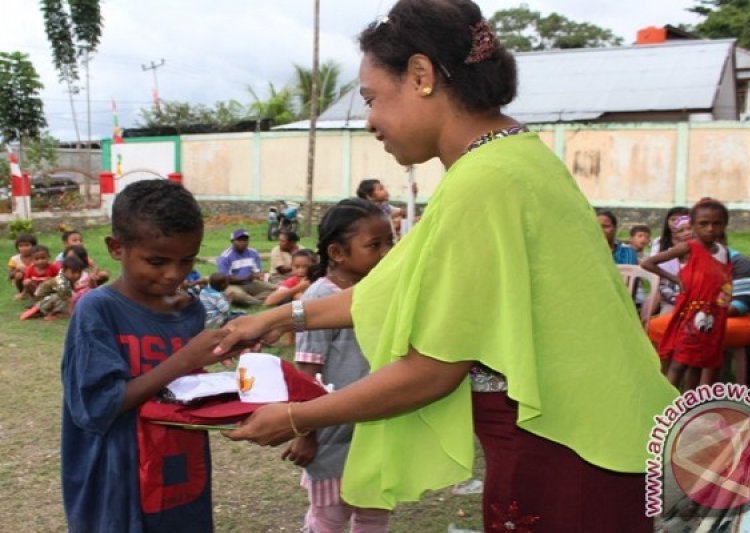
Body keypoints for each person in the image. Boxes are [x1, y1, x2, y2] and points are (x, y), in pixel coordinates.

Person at [216, 3, 676, 531]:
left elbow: (432, 371)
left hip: (561, 449)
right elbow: (394, 289)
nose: (370, 121)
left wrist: (297, 417)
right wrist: (275, 319)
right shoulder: (511, 158)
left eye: (372, 99)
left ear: (421, 75)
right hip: (585, 439)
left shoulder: (484, 182)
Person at [61, 179, 229, 533]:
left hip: (179, 463)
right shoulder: (98, 310)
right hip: (116, 476)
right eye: (157, 261)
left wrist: (227, 354)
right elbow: (96, 406)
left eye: (187, 260)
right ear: (116, 247)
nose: (174, 274)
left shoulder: (189, 310)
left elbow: (185, 393)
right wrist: (183, 359)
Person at [282, 198, 393, 533]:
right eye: (375, 245)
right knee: (330, 515)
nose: (387, 252)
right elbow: (307, 372)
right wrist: (306, 432)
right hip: (332, 432)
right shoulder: (320, 299)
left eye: (391, 242)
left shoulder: (381, 293)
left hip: (377, 425)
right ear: (338, 253)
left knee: (374, 513)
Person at [642, 198, 733, 391]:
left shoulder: (724, 252)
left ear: (724, 225)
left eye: (716, 224)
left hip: (714, 316)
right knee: (680, 362)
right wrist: (676, 280)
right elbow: (648, 263)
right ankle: (665, 403)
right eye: (703, 224)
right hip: (691, 316)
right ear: (692, 226)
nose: (710, 229)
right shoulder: (689, 248)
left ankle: (689, 405)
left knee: (698, 363)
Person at [216, 228, 271, 306]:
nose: (243, 243)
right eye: (239, 240)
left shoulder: (253, 253)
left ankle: (253, 299)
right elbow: (226, 279)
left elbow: (257, 271)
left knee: (275, 288)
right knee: (237, 295)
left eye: (245, 240)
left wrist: (260, 275)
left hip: (250, 283)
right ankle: (261, 301)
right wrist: (247, 277)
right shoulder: (225, 257)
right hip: (232, 285)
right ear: (232, 241)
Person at [20, 255, 83, 320]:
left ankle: (42, 311)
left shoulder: (66, 277)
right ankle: (54, 314)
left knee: (67, 295)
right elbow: (69, 300)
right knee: (63, 297)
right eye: (74, 272)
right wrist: (72, 315)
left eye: (79, 273)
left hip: (44, 301)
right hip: (41, 302)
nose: (77, 275)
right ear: (64, 271)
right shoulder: (61, 282)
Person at [653, 214, 693, 315]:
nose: (687, 233)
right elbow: (663, 287)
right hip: (672, 301)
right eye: (681, 231)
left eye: (689, 229)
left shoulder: (705, 255)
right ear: (674, 239)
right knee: (666, 319)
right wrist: (677, 299)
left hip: (698, 302)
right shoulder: (667, 259)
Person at [8, 232, 37, 296]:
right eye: (21, 246)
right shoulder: (14, 259)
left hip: (36, 279)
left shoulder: (37, 257)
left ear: (34, 246)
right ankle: (22, 291)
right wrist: (17, 270)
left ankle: (33, 291)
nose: (24, 248)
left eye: (27, 245)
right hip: (22, 281)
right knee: (18, 275)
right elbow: (10, 275)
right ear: (17, 248)